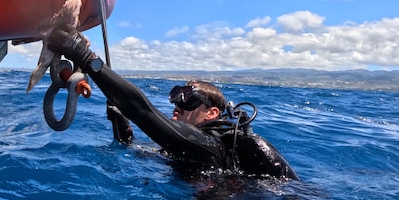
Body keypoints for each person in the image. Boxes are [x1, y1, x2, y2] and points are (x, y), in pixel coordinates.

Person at [47, 28, 298, 180]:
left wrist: (83, 55)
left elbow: (145, 112)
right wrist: (120, 121)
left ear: (212, 113)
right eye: (177, 96)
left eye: (188, 99)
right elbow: (133, 147)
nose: (178, 104)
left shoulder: (209, 145)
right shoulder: (188, 147)